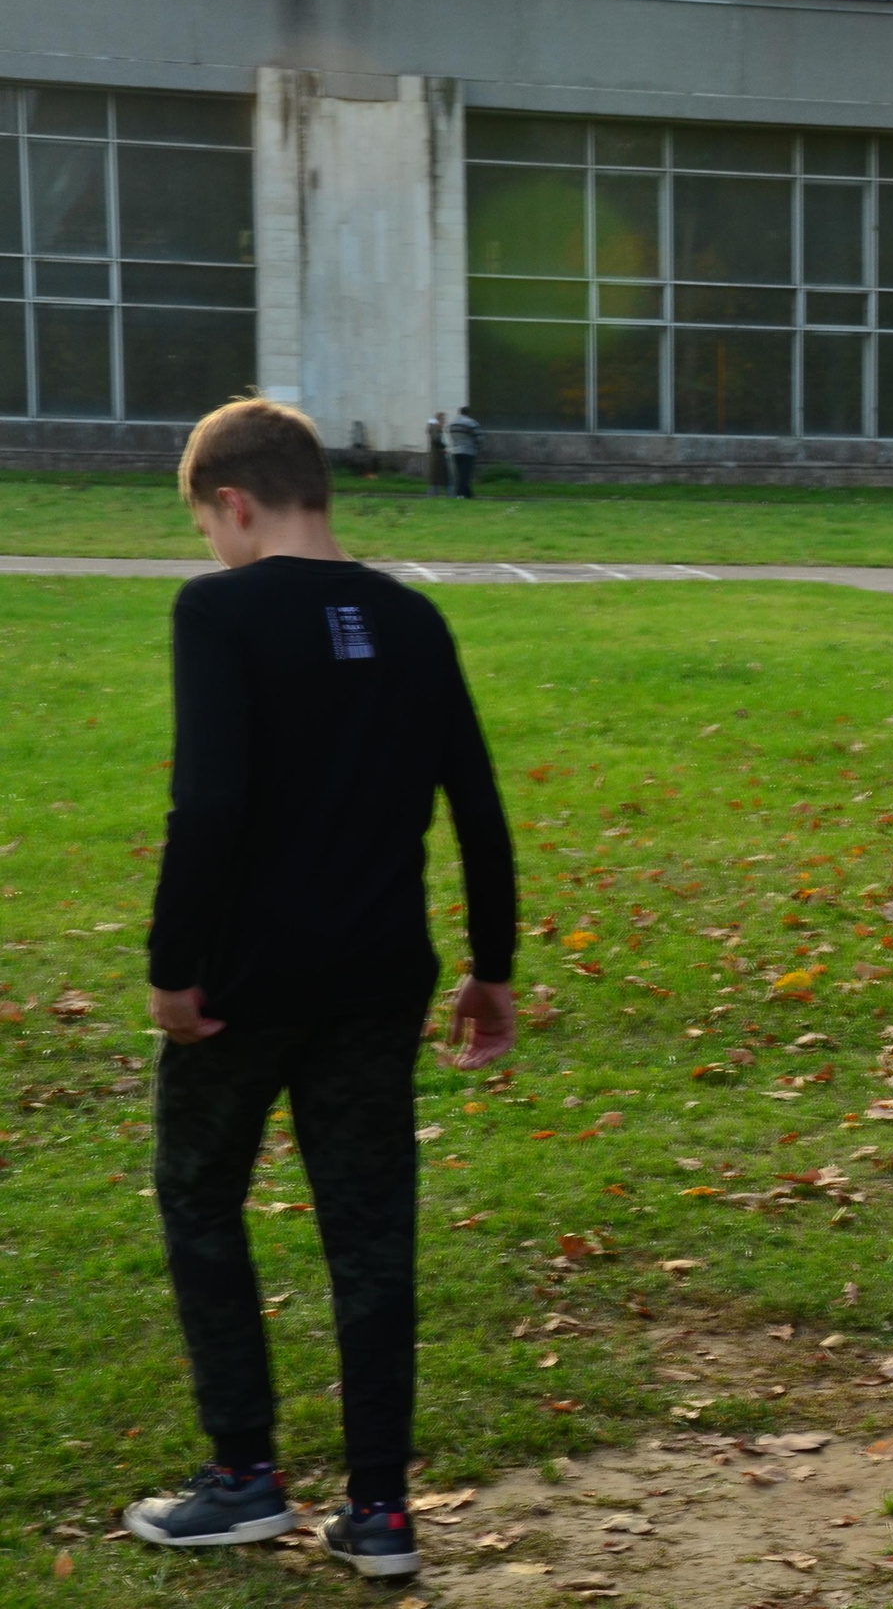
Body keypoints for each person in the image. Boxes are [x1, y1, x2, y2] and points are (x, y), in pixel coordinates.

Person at [122, 398, 519, 1580]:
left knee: (199, 1198)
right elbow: (480, 809)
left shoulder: (220, 609)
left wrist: (171, 968)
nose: (211, 546)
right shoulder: (412, 617)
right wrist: (493, 967)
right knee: (369, 1232)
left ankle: (244, 1473)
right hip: (379, 978)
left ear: (232, 504)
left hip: (245, 983)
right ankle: (382, 1510)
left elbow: (212, 804)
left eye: (208, 525)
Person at [443, 405, 480, 499]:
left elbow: (450, 435)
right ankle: (461, 494)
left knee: (459, 473)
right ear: (469, 413)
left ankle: (468, 494)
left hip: (455, 451)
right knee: (465, 474)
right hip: (468, 451)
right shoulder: (471, 423)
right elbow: (479, 438)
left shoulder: (453, 424)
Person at [424, 411, 448, 497]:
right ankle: (432, 495)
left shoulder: (436, 428)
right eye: (443, 419)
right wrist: (443, 447)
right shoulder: (436, 429)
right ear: (438, 419)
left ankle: (433, 495)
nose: (444, 421)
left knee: (437, 479)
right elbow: (436, 440)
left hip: (437, 456)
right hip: (438, 456)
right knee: (438, 478)